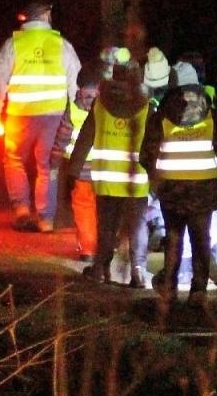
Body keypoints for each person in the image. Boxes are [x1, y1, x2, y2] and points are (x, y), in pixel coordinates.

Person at [141, 62, 217, 313]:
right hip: (204, 188)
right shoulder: (212, 114)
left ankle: (169, 288)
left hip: (171, 188)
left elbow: (147, 154)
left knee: (173, 237)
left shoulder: (162, 115)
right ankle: (198, 291)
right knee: (201, 238)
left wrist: (155, 178)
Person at [0, 0, 81, 232]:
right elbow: (75, 85)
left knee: (14, 160)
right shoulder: (62, 45)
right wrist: (78, 119)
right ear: (46, 16)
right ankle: (46, 220)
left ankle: (21, 211)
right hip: (54, 116)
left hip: (20, 115)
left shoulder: (13, 45)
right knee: (48, 165)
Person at [65, 60, 152, 287]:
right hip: (135, 179)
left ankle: (100, 269)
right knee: (137, 226)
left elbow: (85, 139)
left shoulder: (100, 104)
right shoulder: (146, 105)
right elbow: (154, 142)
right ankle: (138, 271)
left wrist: (73, 172)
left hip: (106, 178)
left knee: (106, 226)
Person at [55, 62, 104, 264]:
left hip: (81, 171)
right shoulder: (108, 109)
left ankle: (88, 249)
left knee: (84, 208)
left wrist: (55, 158)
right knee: (104, 209)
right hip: (106, 170)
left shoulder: (73, 110)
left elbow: (62, 137)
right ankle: (106, 245)